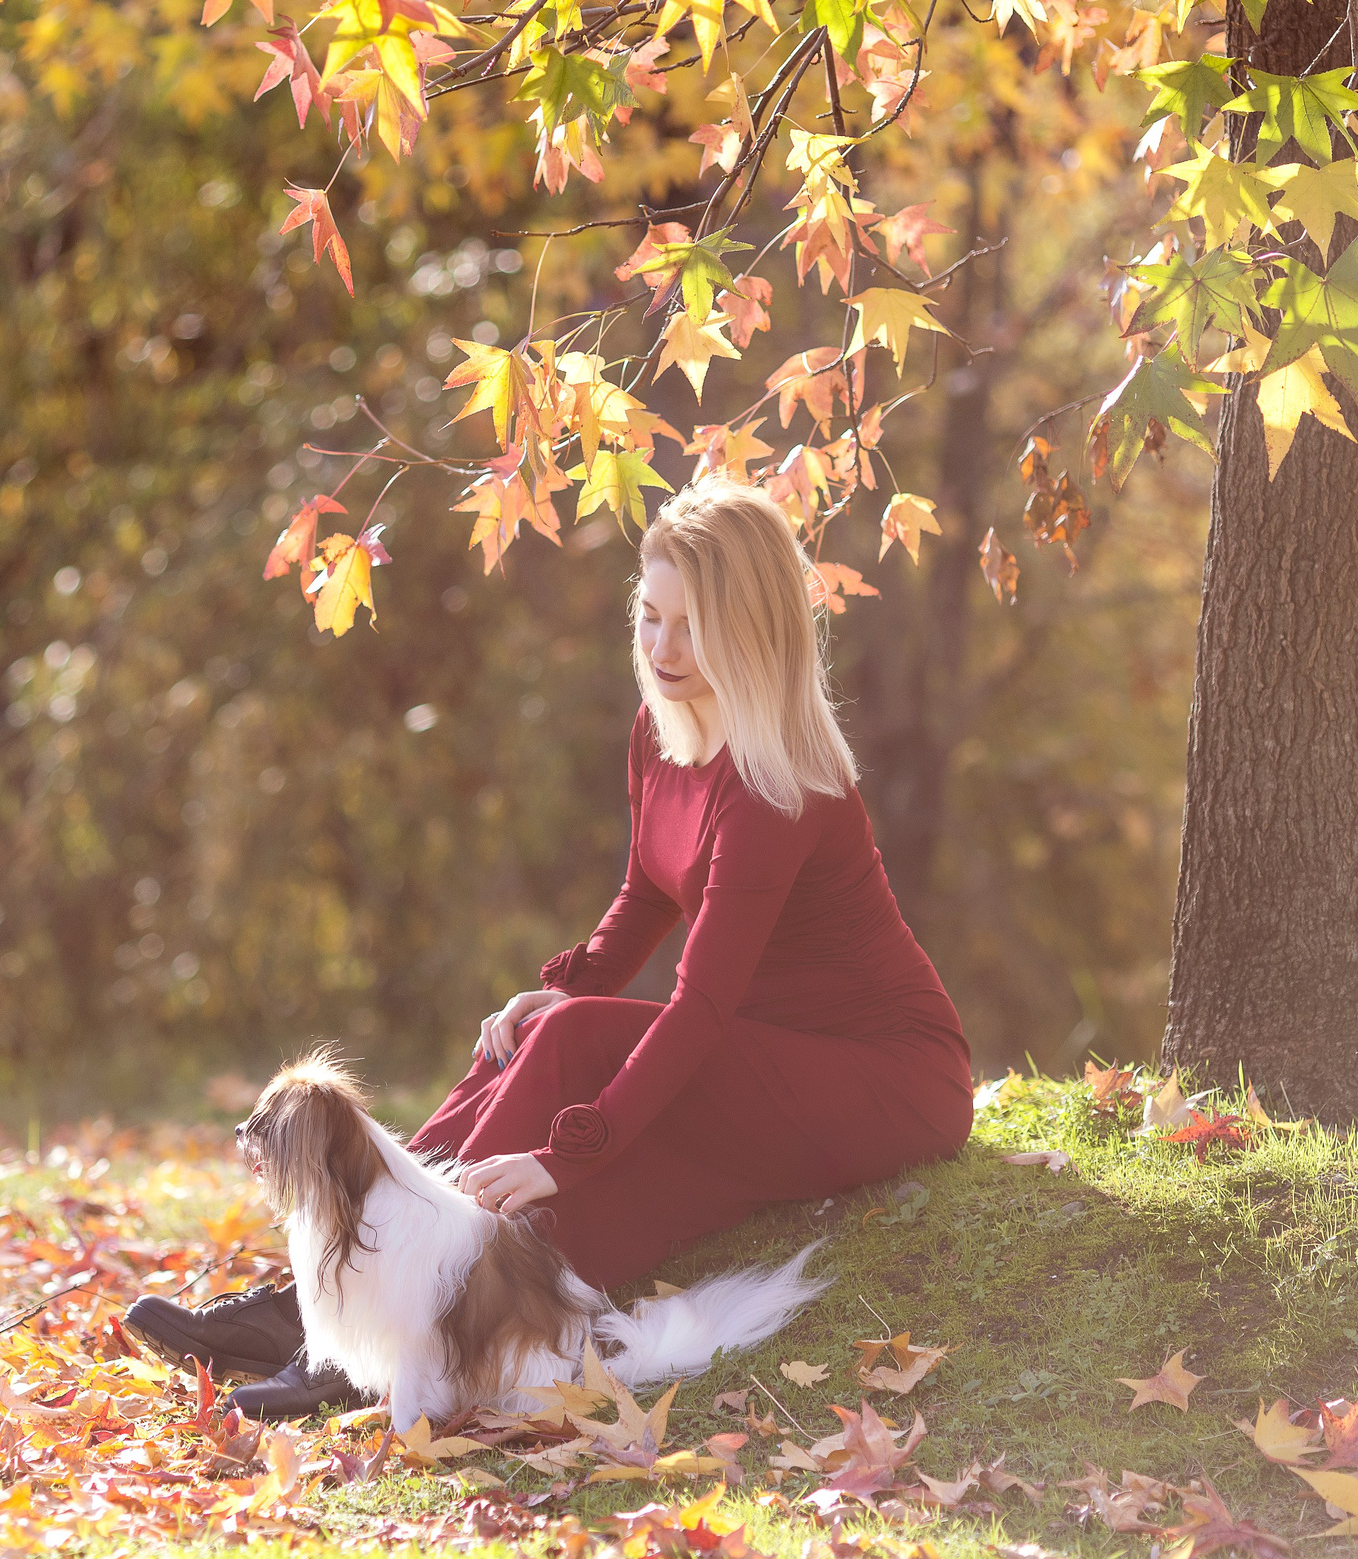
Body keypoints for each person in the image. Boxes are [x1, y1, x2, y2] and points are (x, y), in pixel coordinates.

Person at [127, 477, 974, 1416]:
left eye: (691, 627)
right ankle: (315, 1303)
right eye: (650, 617)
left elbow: (700, 1006)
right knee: (537, 1034)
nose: (662, 649)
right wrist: (566, 986)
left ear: (753, 631)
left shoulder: (782, 789)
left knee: (575, 1044)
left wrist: (566, 1157)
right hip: (763, 1052)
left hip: (883, 1080)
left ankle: (379, 1329)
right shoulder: (665, 733)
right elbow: (646, 892)